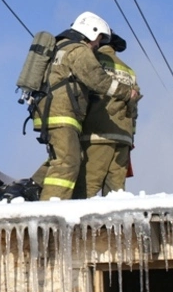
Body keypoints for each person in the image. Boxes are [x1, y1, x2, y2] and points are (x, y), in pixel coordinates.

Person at [30, 12, 139, 200]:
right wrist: (127, 93)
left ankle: (34, 191)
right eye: (98, 39)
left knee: (67, 163)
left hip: (57, 114)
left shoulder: (61, 48)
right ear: (91, 32)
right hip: (67, 115)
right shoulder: (80, 52)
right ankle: (49, 210)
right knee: (67, 164)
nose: (97, 45)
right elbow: (99, 81)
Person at [75, 32, 139, 198]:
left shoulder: (93, 61)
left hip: (98, 134)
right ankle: (112, 225)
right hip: (123, 138)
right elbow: (134, 108)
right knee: (116, 193)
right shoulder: (129, 71)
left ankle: (78, 223)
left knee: (87, 188)